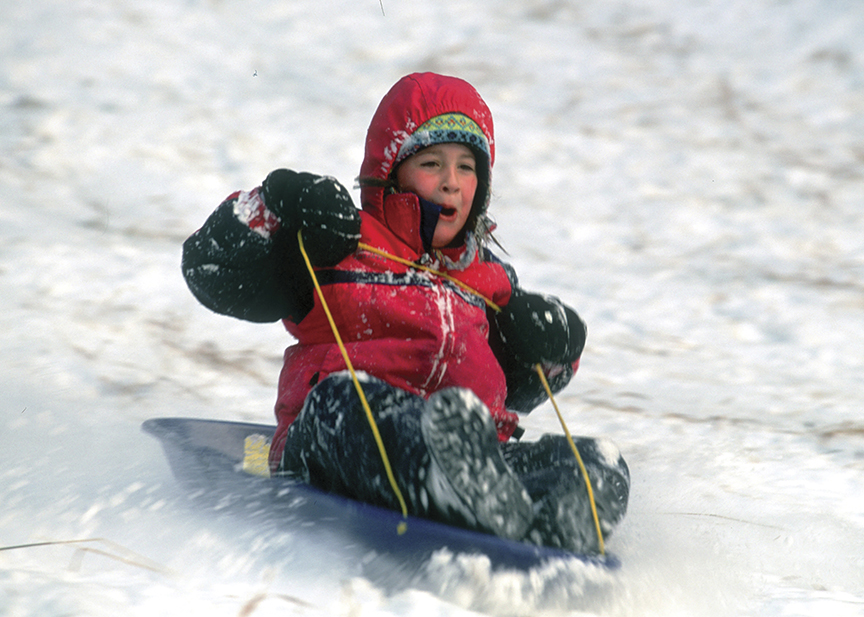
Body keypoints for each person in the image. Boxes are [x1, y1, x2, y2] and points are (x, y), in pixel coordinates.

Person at [181, 72, 629, 553]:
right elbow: (213, 272)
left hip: (479, 459)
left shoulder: (488, 280)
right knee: (344, 402)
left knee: (597, 462)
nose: (452, 183)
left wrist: (556, 346)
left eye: (467, 167)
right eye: (432, 163)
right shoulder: (338, 243)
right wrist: (280, 202)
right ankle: (452, 487)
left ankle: (556, 520)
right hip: (342, 446)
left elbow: (523, 387)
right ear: (391, 171)